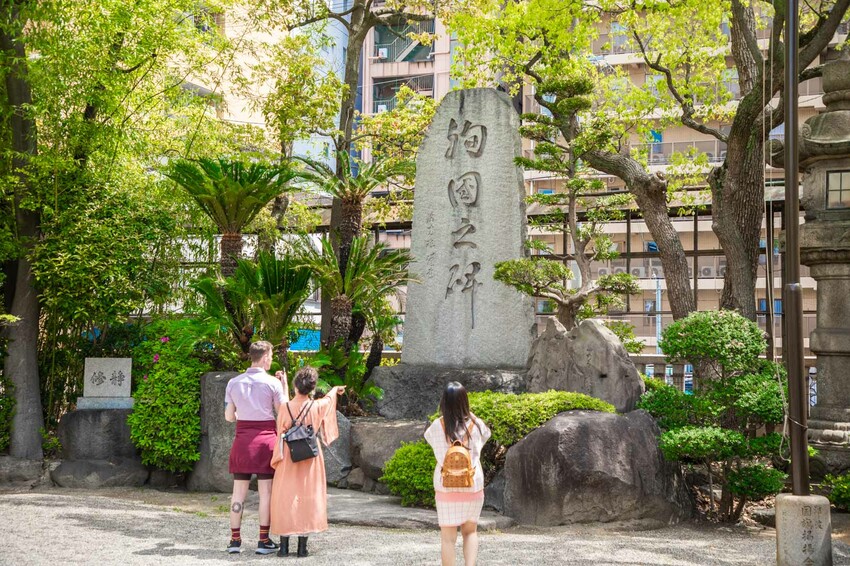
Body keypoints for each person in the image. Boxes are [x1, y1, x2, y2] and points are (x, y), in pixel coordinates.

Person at [269, 366, 345, 558]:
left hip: (289, 454)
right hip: (310, 455)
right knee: (307, 497)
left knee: (285, 497)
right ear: (312, 388)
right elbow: (329, 400)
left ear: (296, 386)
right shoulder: (317, 406)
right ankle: (302, 548)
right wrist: (335, 389)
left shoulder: (285, 407)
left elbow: (281, 430)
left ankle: (283, 547)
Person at [224, 341, 288, 554]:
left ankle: (235, 541)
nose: (271, 360)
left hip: (242, 441)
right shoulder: (272, 383)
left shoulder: (234, 382)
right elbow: (283, 412)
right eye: (271, 356)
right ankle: (263, 540)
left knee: (238, 493)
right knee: (265, 493)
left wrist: (243, 413)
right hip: (265, 441)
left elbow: (229, 416)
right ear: (265, 357)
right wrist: (285, 386)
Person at [424, 382, 491, 566]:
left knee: (448, 538)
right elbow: (487, 435)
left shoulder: (437, 426)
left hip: (446, 487)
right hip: (472, 485)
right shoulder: (476, 425)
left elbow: (428, 438)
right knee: (470, 532)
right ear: (465, 401)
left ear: (444, 402)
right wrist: (471, 415)